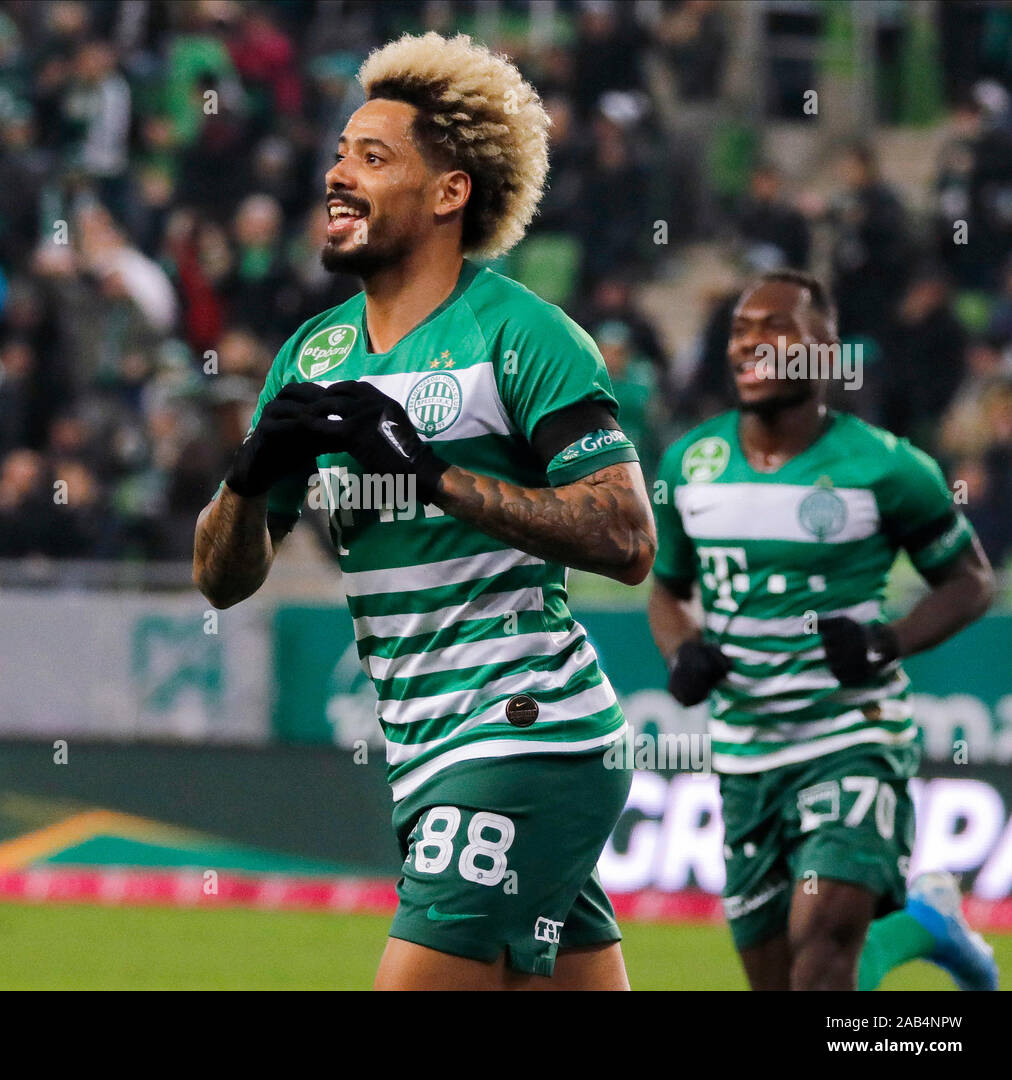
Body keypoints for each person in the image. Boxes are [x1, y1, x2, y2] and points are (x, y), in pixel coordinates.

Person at [193, 32, 656, 990]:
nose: (338, 176)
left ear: (449, 193)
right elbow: (223, 581)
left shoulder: (523, 334)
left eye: (374, 158)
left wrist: (435, 475)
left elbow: (626, 537)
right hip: (426, 747)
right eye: (338, 154)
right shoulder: (312, 357)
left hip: (525, 733)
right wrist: (248, 476)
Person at [647, 270, 999, 991]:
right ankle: (924, 925)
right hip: (746, 758)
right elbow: (668, 590)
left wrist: (885, 642)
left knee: (824, 941)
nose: (751, 344)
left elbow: (971, 580)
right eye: (742, 330)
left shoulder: (887, 465)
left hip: (852, 739)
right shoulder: (691, 463)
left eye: (775, 327)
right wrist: (681, 650)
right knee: (797, 981)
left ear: (824, 350)